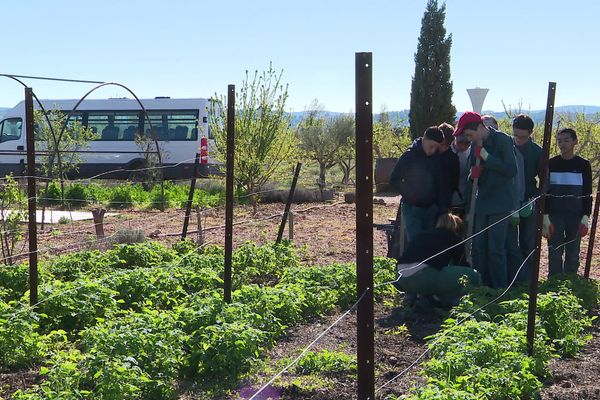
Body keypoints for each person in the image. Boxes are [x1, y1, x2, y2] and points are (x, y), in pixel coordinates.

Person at [456, 112, 517, 289]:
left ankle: (499, 289)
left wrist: (487, 157)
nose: (468, 138)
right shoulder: (475, 145)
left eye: (469, 134)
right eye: (466, 135)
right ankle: (480, 286)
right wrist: (472, 175)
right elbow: (473, 175)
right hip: (481, 202)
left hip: (500, 203)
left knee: (495, 249)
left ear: (479, 127)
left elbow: (510, 170)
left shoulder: (503, 140)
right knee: (479, 247)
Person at [394, 213, 481, 307]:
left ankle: (412, 295)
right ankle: (450, 300)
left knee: (431, 270)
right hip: (423, 277)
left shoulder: (423, 234)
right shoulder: (453, 237)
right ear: (456, 227)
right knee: (473, 275)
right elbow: (461, 264)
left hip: (401, 277)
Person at [482, 115, 527, 282]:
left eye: (491, 126)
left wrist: (515, 206)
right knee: (491, 246)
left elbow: (518, 180)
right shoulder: (481, 149)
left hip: (508, 206)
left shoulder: (509, 149)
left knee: (510, 247)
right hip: (489, 206)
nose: (487, 129)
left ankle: (517, 283)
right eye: (484, 125)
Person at [543, 128, 592, 276]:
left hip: (575, 214)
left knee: (573, 251)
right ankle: (554, 283)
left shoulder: (583, 164)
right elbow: (545, 191)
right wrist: (545, 216)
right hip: (555, 214)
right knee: (555, 251)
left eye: (566, 140)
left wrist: (585, 216)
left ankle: (571, 283)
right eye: (559, 141)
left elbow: (587, 192)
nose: (562, 144)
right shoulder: (551, 163)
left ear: (575, 141)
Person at [389, 126, 444, 244]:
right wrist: (411, 195)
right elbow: (394, 179)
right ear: (423, 140)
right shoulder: (409, 156)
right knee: (416, 244)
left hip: (431, 209)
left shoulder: (437, 158)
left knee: (429, 245)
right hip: (412, 208)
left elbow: (440, 182)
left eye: (436, 148)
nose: (433, 150)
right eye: (431, 146)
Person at [512, 114, 542, 272]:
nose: (518, 139)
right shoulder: (507, 147)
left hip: (529, 200)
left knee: (528, 240)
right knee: (509, 241)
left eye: (522, 137)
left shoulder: (537, 152)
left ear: (530, 133)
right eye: (515, 135)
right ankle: (511, 274)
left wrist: (534, 199)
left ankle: (528, 276)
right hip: (508, 200)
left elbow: (545, 181)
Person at [438, 123, 461, 213]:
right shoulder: (454, 158)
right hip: (446, 200)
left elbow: (454, 182)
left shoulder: (433, 156)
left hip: (443, 201)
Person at [450, 129, 471, 217]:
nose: (463, 146)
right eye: (460, 142)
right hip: (448, 201)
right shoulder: (447, 152)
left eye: (467, 143)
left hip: (464, 200)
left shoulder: (471, 153)